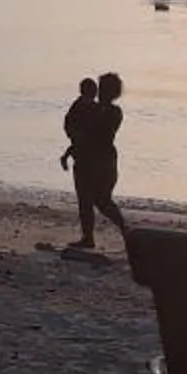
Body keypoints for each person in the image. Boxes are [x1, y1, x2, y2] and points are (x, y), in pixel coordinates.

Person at [60, 70, 130, 251]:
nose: (100, 92)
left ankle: (125, 231)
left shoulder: (112, 112)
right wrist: (69, 151)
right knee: (88, 200)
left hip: (99, 160)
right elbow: (73, 126)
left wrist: (71, 149)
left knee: (101, 200)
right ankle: (89, 237)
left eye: (103, 89)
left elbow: (91, 133)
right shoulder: (91, 107)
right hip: (90, 158)